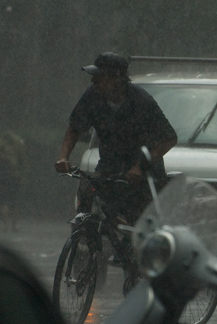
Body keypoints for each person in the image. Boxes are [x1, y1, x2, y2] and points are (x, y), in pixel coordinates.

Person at [55, 52, 177, 226]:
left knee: (139, 222)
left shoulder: (141, 101)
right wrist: (63, 157)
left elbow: (169, 138)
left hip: (144, 174)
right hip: (110, 166)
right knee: (91, 202)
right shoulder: (92, 96)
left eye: (99, 76)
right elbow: (74, 128)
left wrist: (139, 167)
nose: (93, 81)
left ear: (116, 78)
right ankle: (88, 246)